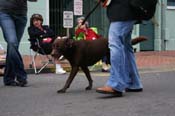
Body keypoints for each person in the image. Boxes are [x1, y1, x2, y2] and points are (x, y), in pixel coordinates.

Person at [96, 0, 143, 97]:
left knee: (115, 44)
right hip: (129, 11)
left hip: (121, 11)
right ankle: (133, 82)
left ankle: (116, 84)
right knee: (126, 47)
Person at [0, 0, 37, 87]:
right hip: (5, 12)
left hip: (21, 15)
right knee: (12, 42)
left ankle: (8, 78)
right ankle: (21, 76)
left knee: (13, 47)